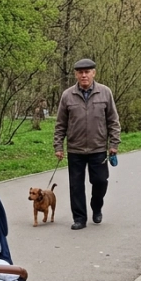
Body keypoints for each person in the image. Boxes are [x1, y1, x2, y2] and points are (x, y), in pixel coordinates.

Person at [54, 58, 121, 230]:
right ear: (76, 74)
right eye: (80, 72)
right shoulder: (67, 95)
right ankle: (79, 218)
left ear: (93, 73)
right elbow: (60, 124)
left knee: (100, 181)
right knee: (76, 185)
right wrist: (58, 146)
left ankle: (96, 206)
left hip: (98, 147)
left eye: (87, 72)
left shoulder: (105, 93)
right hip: (75, 148)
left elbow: (113, 121)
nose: (84, 75)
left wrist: (114, 144)